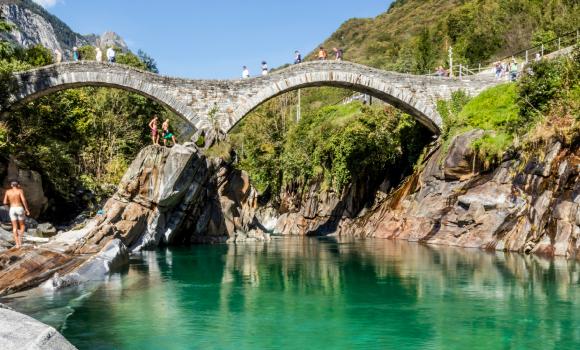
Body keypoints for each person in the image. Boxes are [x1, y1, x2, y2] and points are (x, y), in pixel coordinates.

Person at [3, 181, 30, 249]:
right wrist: (26, 209)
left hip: (12, 209)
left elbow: (4, 202)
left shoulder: (7, 191)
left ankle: (17, 244)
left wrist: (8, 210)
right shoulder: (20, 190)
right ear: (18, 185)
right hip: (19, 208)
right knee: (22, 225)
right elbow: (23, 200)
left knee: (14, 227)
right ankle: (20, 240)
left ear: (11, 185)